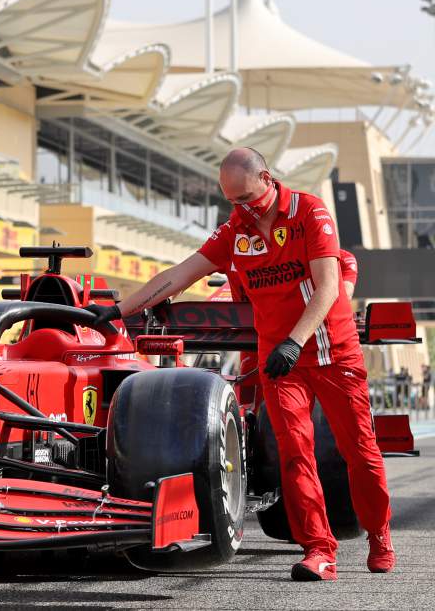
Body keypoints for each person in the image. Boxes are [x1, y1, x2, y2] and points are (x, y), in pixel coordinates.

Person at [85, 147, 393, 582]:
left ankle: (380, 536)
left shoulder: (310, 212)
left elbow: (327, 288)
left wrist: (295, 340)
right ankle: (319, 550)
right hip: (280, 361)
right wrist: (121, 309)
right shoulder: (236, 229)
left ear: (267, 179)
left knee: (359, 453)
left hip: (332, 354)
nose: (242, 208)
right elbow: (181, 273)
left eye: (247, 197)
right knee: (293, 455)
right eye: (233, 201)